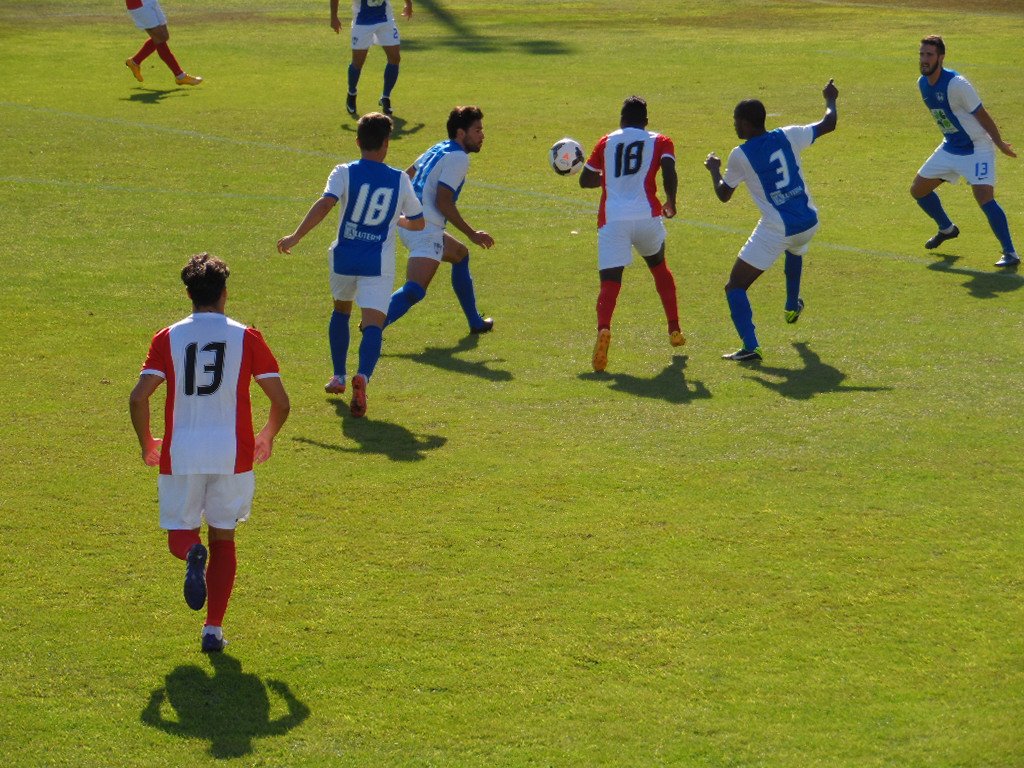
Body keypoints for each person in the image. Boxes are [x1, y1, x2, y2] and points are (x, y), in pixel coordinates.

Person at [129, 253, 289, 652]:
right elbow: (281, 401)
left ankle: (191, 552)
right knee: (224, 537)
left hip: (182, 452)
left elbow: (138, 397)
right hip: (233, 454)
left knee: (179, 537)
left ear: (189, 294)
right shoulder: (247, 337)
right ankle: (213, 629)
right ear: (225, 293)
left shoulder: (167, 337)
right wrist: (267, 435)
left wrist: (147, 442)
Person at [277, 112, 424, 418]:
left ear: (358, 142)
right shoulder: (399, 179)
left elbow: (325, 204)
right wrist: (396, 219)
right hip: (377, 263)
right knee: (373, 324)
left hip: (343, 257)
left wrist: (296, 236)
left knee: (341, 312)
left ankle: (338, 376)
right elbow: (418, 221)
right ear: (386, 143)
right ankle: (363, 377)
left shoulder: (343, 172)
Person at [704, 80, 839, 362]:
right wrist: (830, 99)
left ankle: (750, 346)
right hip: (809, 222)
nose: (734, 126)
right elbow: (829, 123)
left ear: (745, 123)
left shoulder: (740, 154)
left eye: (736, 121)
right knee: (795, 249)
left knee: (735, 286)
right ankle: (791, 306)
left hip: (778, 229)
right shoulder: (788, 135)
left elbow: (724, 195)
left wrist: (714, 170)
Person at [578, 96, 685, 373]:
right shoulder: (661, 140)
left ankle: (604, 329)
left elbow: (585, 180)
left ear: (621, 119)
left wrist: (611, 177)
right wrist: (671, 201)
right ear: (645, 121)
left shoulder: (606, 141)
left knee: (610, 283)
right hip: (647, 217)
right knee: (660, 268)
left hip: (613, 220)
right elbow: (669, 170)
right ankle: (674, 328)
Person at [385, 105, 496, 334]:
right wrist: (472, 233)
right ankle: (373, 324)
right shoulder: (458, 158)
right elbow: (443, 201)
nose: (482, 135)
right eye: (477, 130)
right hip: (425, 231)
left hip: (410, 222)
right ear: (461, 133)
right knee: (415, 290)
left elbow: (406, 175)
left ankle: (475, 322)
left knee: (460, 255)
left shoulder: (439, 147)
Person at [911, 35, 1018, 267]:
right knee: (918, 190)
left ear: (941, 57)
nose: (924, 60)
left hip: (977, 147)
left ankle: (1010, 253)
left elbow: (982, 115)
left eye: (929, 55)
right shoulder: (922, 83)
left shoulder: (957, 84)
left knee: (984, 197)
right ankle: (947, 229)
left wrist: (999, 144)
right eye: (921, 54)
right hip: (950, 146)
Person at [332, 0, 413, 117]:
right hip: (362, 21)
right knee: (358, 62)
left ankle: (385, 97)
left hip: (385, 19)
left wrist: (408, 4)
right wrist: (334, 17)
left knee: (395, 58)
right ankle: (352, 93)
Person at [124, 0, 202, 86]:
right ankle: (180, 76)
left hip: (151, 2)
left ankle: (134, 62)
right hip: (139, 5)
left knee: (164, 36)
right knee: (160, 38)